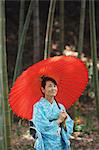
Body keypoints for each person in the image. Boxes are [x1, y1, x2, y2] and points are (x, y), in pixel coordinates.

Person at [30, 76, 74, 150]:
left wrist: (64, 121)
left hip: (60, 143)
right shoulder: (38, 107)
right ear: (43, 89)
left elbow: (69, 125)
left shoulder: (60, 107)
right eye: (50, 86)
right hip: (45, 143)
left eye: (55, 86)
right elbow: (41, 126)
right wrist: (58, 121)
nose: (53, 88)